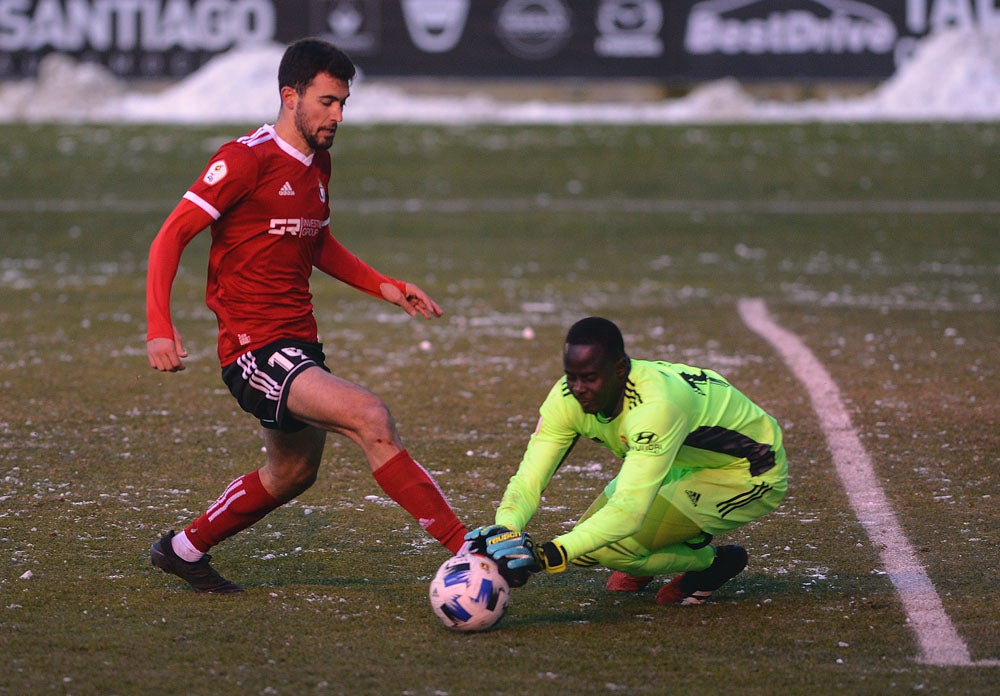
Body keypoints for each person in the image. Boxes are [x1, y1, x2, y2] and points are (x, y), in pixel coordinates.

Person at [146, 38, 467, 594]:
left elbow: (315, 242)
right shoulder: (244, 158)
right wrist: (158, 328)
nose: (337, 115)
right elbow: (171, 236)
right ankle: (471, 551)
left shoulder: (319, 163)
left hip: (297, 342)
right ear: (289, 96)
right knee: (370, 417)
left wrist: (384, 286)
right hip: (252, 348)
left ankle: (182, 549)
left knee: (293, 473)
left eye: (343, 103)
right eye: (326, 102)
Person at [466, 316, 787, 605]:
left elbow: (628, 512)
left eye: (589, 378)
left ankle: (712, 563)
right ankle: (669, 542)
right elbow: (529, 478)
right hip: (678, 456)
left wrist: (546, 555)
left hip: (746, 470)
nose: (578, 389)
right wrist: (506, 527)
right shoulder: (567, 397)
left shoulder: (655, 408)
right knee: (591, 546)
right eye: (571, 377)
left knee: (610, 548)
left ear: (621, 369)